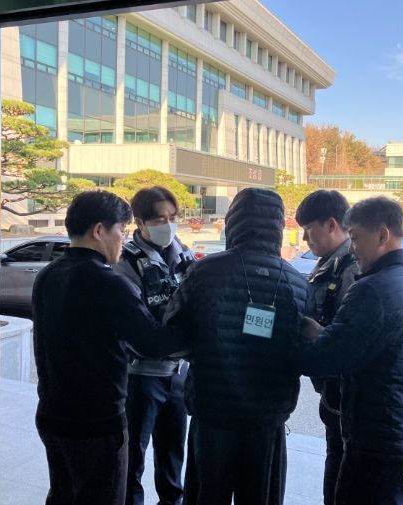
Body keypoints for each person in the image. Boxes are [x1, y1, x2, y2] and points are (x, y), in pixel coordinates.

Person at [32, 190, 186, 505]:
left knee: (63, 495)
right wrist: (195, 329)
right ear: (99, 230)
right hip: (96, 422)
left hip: (52, 413)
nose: (123, 239)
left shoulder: (49, 274)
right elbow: (152, 342)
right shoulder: (109, 283)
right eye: (121, 230)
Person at [163, 188, 309, 505]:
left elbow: (173, 333)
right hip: (266, 420)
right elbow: (303, 352)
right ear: (277, 226)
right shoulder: (297, 283)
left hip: (212, 414)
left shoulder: (205, 271)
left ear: (233, 222)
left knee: (206, 495)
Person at [299, 196, 403, 505]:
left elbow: (325, 360)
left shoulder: (371, 290)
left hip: (382, 453)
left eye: (355, 238)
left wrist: (312, 336)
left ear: (382, 235)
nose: (352, 249)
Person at [113, 187, 194, 505]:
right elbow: (139, 325)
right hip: (140, 377)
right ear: (141, 222)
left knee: (173, 456)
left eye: (173, 217)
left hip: (178, 374)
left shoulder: (185, 255)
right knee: (132, 457)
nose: (168, 225)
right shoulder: (127, 261)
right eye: (160, 219)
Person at [294, 190, 358, 505]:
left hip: (347, 395)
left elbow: (352, 339)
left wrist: (315, 334)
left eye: (309, 229)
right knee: (335, 462)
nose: (304, 238)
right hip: (334, 393)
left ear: (331, 224)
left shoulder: (351, 268)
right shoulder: (329, 263)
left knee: (343, 472)